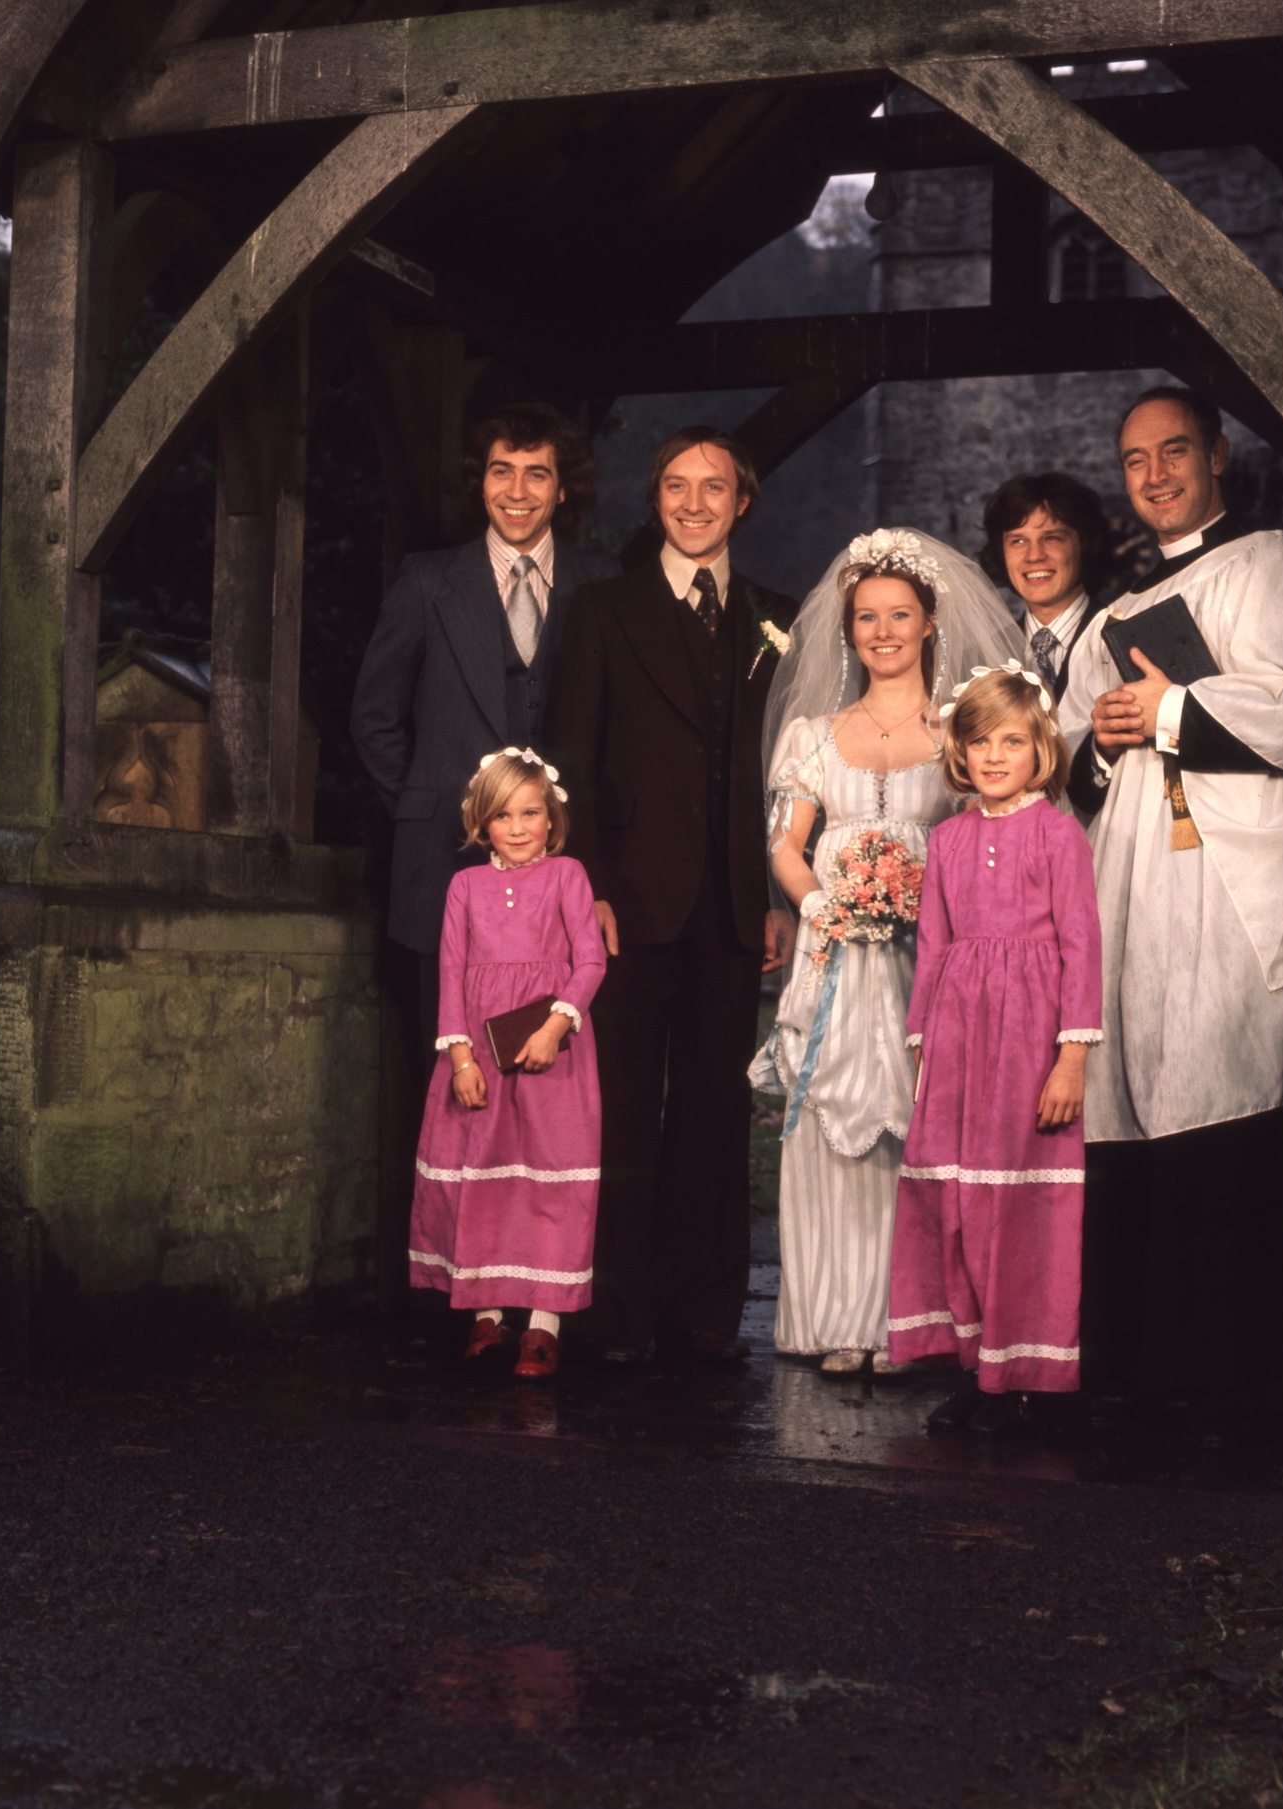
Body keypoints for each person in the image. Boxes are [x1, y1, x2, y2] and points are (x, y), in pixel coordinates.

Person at [1057, 385, 1283, 1440]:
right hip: (1138, 890)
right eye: (1135, 458)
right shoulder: (1108, 617)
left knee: (1222, 1087)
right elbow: (1065, 771)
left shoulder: (1279, 563)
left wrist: (1175, 708)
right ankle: (1135, 1369)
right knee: (1136, 1093)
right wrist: (1101, 736)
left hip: (1235, 885)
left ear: (1219, 454)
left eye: (1173, 450)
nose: (1154, 473)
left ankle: (1225, 1382)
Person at [546, 427, 798, 1364]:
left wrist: (777, 891)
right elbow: (570, 755)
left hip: (736, 904)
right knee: (619, 1105)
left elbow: (789, 775)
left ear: (743, 502)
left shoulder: (780, 617)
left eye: (715, 487)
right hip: (630, 903)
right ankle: (616, 1307)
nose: (696, 503)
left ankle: (704, 1308)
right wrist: (591, 891)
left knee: (713, 1111)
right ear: (656, 498)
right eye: (678, 487)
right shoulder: (602, 610)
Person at [753, 529, 1027, 1375]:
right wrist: (824, 904)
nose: (882, 631)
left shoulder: (962, 733)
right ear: (848, 627)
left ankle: (914, 1324)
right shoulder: (813, 734)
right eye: (866, 616)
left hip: (928, 965)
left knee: (916, 1129)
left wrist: (919, 900)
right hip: (835, 959)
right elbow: (786, 846)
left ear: (930, 621)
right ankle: (834, 1318)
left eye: (899, 614)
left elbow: (990, 832)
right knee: (835, 1130)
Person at [351, 401, 619, 1080]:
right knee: (443, 1068)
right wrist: (429, 804)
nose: (518, 491)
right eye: (502, 471)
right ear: (481, 482)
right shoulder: (428, 581)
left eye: (537, 473)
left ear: (564, 487)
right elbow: (374, 716)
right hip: (442, 860)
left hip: (563, 873)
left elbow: (618, 734)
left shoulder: (605, 585)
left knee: (552, 1078)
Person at [886, 664, 1103, 1435]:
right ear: (960, 751)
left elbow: (1082, 946)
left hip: (1031, 1039)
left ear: (1041, 745)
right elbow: (933, 947)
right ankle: (975, 1365)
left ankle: (1027, 1369)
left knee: (1022, 1199)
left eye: (1012, 740)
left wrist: (1071, 1056)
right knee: (953, 1196)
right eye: (980, 742)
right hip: (956, 1040)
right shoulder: (946, 839)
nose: (995, 755)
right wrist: (924, 1046)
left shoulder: (1059, 833)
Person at [409, 749, 606, 1381]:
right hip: (479, 1058)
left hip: (553, 1056)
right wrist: (460, 1055)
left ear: (551, 818)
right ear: (480, 822)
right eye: (502, 815)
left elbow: (591, 962)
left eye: (530, 813)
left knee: (546, 1186)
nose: (518, 828)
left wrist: (555, 1025)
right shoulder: (464, 886)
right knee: (483, 1181)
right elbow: (451, 973)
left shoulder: (569, 876)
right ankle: (486, 1315)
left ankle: (544, 1327)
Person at [979, 472, 1114, 703]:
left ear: (1084, 544)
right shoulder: (984, 656)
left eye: (1052, 538)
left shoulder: (1124, 637)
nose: (1034, 556)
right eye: (1018, 541)